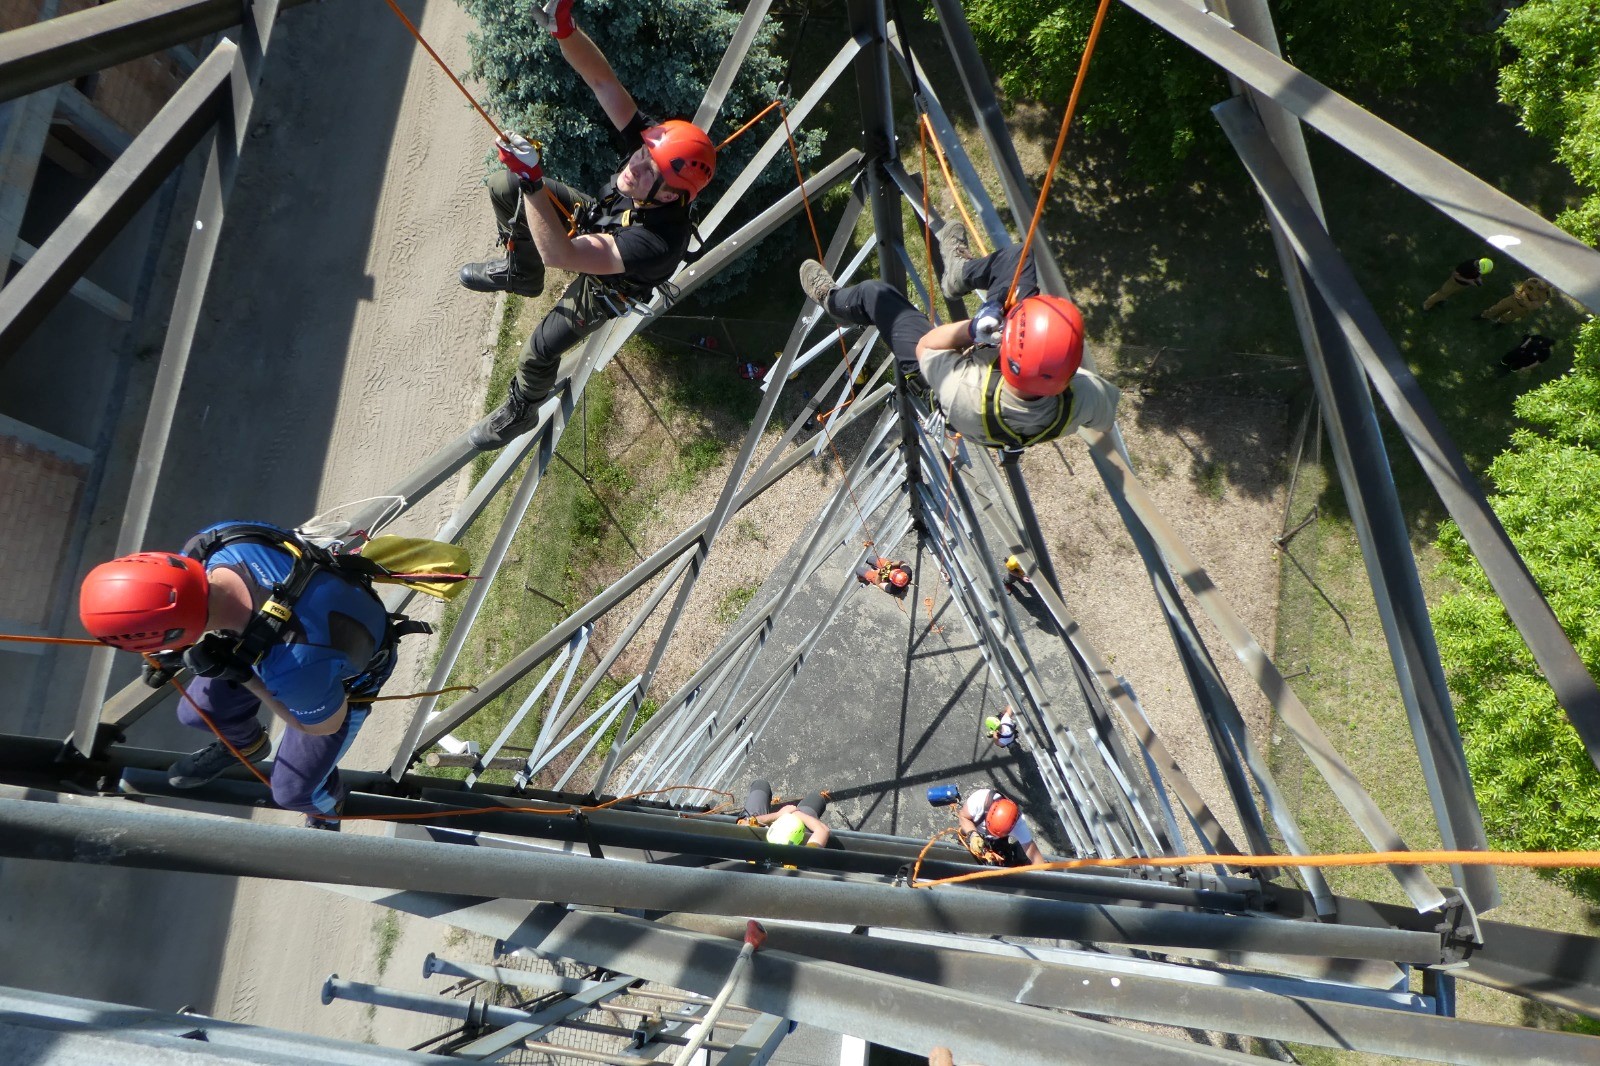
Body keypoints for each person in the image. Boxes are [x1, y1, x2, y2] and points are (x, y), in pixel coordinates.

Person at [459, 0, 716, 450]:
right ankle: (521, 273)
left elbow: (563, 256)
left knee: (539, 348)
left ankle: (522, 410)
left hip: (608, 282)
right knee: (504, 185)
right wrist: (565, 30)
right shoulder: (661, 156)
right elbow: (602, 81)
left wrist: (535, 183)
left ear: (670, 196)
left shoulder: (656, 242)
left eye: (646, 170)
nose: (633, 164)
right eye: (640, 155)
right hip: (599, 223)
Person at [77, 522, 423, 830]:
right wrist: (172, 653)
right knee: (196, 710)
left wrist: (245, 676)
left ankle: (327, 807)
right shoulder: (220, 541)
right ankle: (248, 745)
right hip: (328, 614)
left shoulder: (292, 667)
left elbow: (322, 726)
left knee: (292, 790)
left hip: (344, 681)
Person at [796, 219, 1118, 450]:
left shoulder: (964, 392)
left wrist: (972, 328)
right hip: (1003, 394)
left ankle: (832, 301)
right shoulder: (1081, 399)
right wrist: (997, 308)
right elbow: (1106, 415)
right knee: (1019, 260)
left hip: (937, 374)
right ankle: (958, 274)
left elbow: (927, 346)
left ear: (1007, 351)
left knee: (873, 295)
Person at [957, 786, 1042, 866]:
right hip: (973, 830)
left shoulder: (1019, 825)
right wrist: (973, 835)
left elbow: (1035, 858)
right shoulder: (979, 800)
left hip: (997, 842)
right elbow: (963, 816)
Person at [743, 779, 831, 847]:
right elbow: (823, 830)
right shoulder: (807, 854)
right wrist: (795, 813)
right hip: (796, 821)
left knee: (760, 784)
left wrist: (778, 815)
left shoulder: (805, 856)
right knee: (814, 799)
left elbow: (745, 823)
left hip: (758, 842)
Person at [1421, 256, 1493, 310]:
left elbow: (1479, 274)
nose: (1479, 271)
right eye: (1479, 270)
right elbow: (1455, 274)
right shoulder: (1466, 266)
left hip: (1464, 285)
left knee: (1450, 293)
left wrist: (1478, 278)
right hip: (1454, 282)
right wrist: (1468, 281)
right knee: (1442, 293)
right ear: (1478, 265)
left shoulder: (1480, 265)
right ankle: (1427, 304)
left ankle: (1441, 299)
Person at [1480, 277, 1554, 324]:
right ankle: (1485, 315)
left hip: (1522, 308)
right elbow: (1521, 287)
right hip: (1513, 299)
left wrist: (1524, 297)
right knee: (1497, 308)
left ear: (1549, 286)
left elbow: (1533, 306)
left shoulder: (1545, 296)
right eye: (1543, 281)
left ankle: (1500, 322)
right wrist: (1518, 294)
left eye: (1545, 284)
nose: (1540, 285)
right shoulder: (1533, 280)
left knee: (1509, 317)